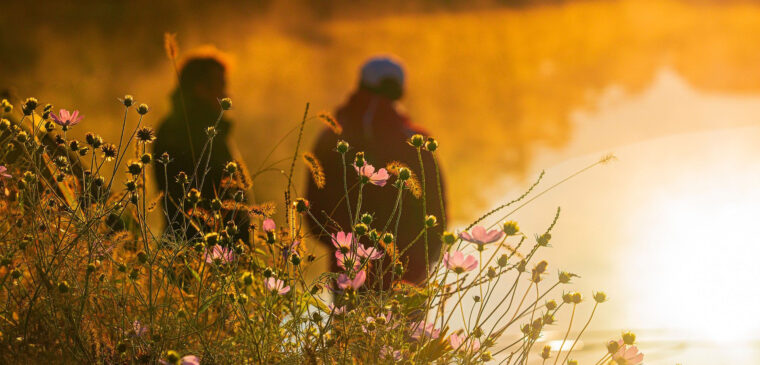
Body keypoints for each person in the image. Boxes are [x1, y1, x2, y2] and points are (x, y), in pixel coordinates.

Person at [306, 56, 447, 288]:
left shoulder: (330, 136)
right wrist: (426, 259)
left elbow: (314, 209)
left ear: (360, 85)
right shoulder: (416, 140)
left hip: (348, 268)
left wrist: (342, 246)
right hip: (408, 273)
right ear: (400, 91)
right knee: (406, 325)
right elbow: (437, 208)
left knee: (347, 324)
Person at [153, 50, 250, 244]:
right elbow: (206, 194)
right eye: (220, 86)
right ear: (200, 88)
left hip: (196, 245)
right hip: (201, 247)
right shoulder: (189, 132)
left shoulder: (206, 128)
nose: (225, 94)